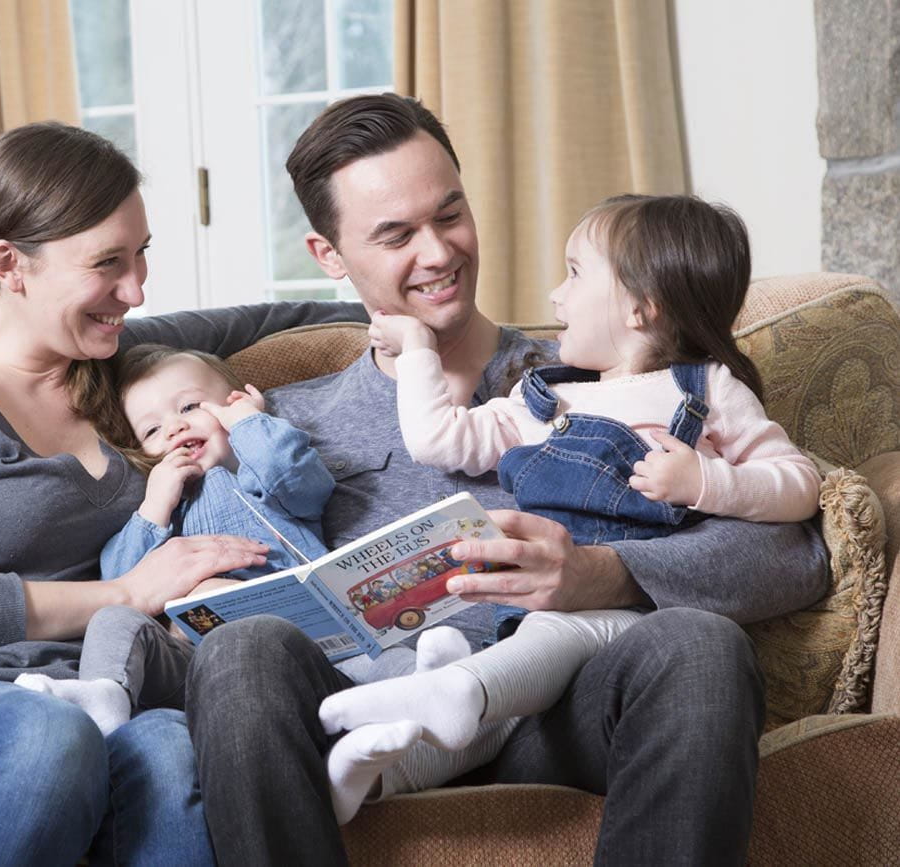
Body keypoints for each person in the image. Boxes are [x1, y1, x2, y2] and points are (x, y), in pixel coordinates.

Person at [174, 93, 830, 865]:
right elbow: (207, 596)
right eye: (395, 234)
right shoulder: (277, 425)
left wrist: (602, 573)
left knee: (697, 646)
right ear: (328, 256)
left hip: (549, 715)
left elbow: (792, 554)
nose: (437, 252)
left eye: (448, 214)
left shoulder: (596, 385)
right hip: (363, 722)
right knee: (240, 651)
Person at [0, 121, 366, 867]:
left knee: (172, 746)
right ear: (9, 263)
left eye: (142, 254)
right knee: (51, 737)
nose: (136, 289)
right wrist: (126, 591)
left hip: (95, 691)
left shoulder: (111, 358)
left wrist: (401, 313)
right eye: (108, 263)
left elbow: (271, 319)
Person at [314, 193, 822, 823]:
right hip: (520, 626)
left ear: (641, 306)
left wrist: (705, 481)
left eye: (575, 273)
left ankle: (456, 687)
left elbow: (799, 485)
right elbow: (438, 439)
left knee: (569, 645)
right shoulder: (545, 401)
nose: (554, 297)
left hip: (624, 632)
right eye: (395, 233)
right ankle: (376, 773)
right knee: (505, 700)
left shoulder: (707, 388)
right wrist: (416, 350)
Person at [15, 342, 472, 733]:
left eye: (190, 407)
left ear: (238, 403)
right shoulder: (166, 507)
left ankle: (432, 686)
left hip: (308, 636)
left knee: (373, 654)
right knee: (111, 620)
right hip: (190, 656)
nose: (174, 427)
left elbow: (302, 479)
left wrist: (250, 423)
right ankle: (106, 694)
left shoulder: (260, 474)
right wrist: (153, 507)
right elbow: (121, 582)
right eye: (152, 430)